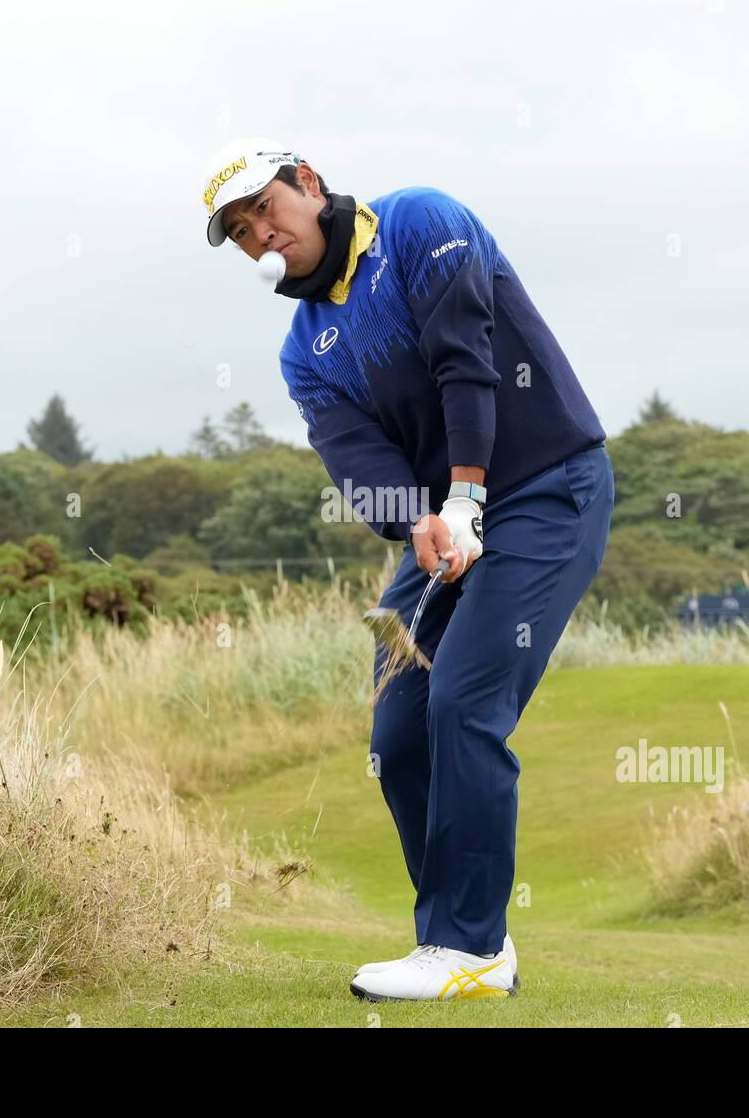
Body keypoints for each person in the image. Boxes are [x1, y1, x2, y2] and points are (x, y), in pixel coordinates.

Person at [202, 137, 615, 1001]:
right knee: (397, 734)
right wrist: (421, 520)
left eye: (265, 211)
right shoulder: (302, 348)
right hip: (442, 529)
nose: (261, 237)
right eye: (241, 233)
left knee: (466, 703)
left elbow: (467, 360)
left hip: (546, 489)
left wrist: (467, 494)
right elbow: (359, 465)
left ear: (307, 183)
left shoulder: (421, 220)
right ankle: (469, 942)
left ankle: (463, 951)